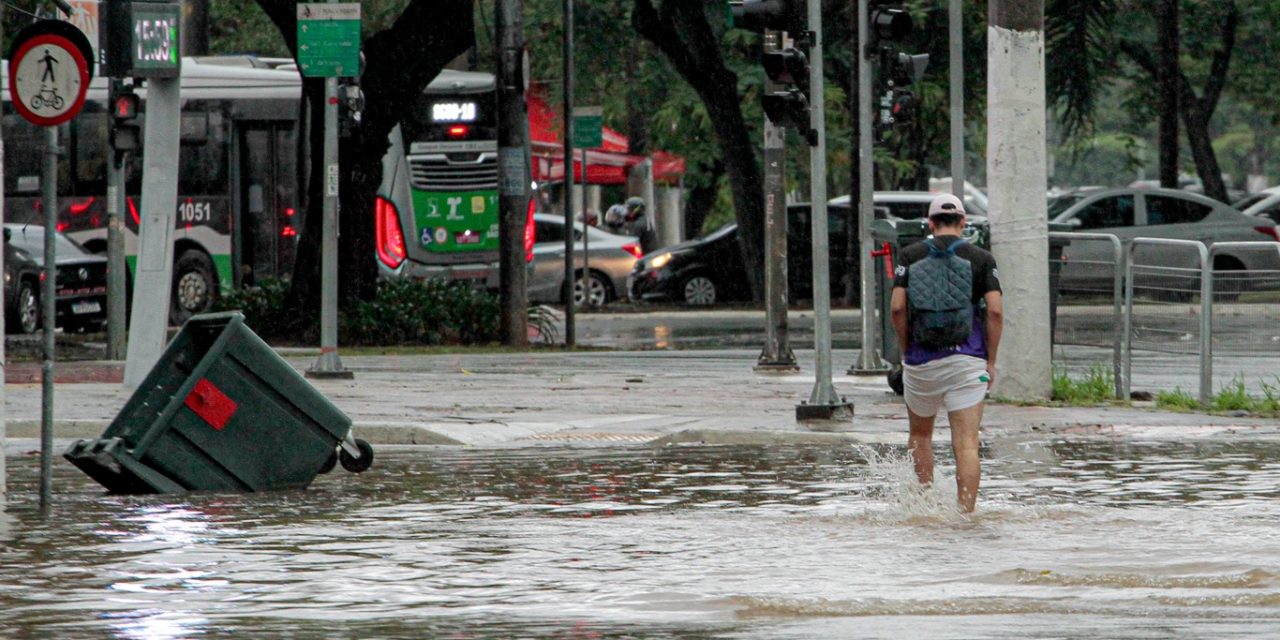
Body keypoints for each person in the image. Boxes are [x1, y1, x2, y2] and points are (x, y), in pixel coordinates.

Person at [889, 193, 1003, 513]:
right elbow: (994, 312)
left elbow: (898, 308)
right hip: (968, 360)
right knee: (966, 443)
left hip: (921, 361)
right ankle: (965, 514)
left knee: (920, 435)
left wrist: (905, 350)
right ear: (963, 223)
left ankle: (925, 507)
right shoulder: (982, 258)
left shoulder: (909, 255)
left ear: (931, 223)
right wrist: (991, 361)